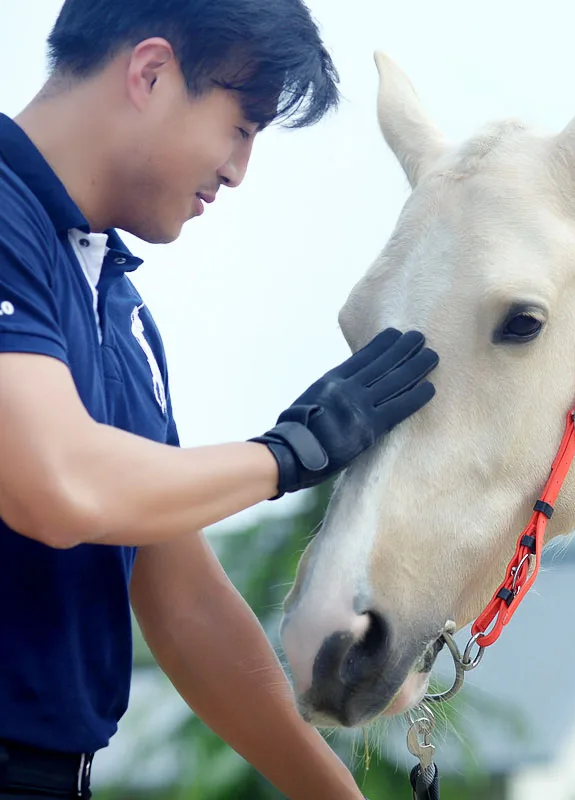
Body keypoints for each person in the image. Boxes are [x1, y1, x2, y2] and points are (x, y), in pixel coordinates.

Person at [0, 1, 439, 798]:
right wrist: (285, 457)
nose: (239, 171)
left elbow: (184, 600)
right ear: (151, 72)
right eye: (241, 127)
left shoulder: (121, 310)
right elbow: (53, 486)